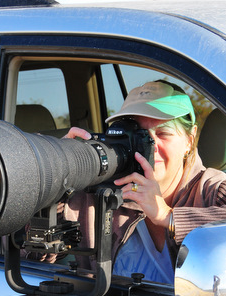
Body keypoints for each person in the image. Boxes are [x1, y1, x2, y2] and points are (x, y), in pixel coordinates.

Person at [63, 80, 226, 283]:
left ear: (190, 140)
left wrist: (169, 217)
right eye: (139, 135)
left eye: (163, 134)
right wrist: (60, 172)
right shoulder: (97, 195)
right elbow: (32, 255)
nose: (151, 145)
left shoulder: (212, 190)